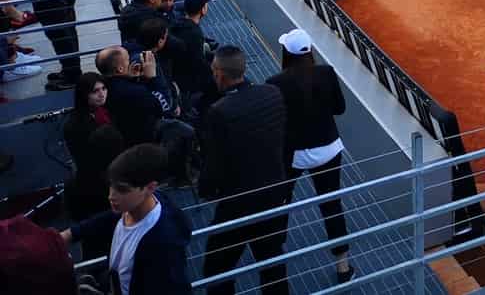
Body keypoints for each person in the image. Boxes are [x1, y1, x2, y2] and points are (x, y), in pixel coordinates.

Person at [200, 45, 291, 295]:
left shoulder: (219, 111)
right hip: (273, 194)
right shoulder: (272, 93)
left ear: (219, 74)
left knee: (216, 269)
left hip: (237, 204)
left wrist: (205, 189)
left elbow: (214, 162)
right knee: (272, 262)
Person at [267, 29, 354, 283]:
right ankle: (343, 267)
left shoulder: (275, 82)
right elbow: (340, 108)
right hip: (329, 149)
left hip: (293, 155)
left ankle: (273, 262)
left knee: (281, 204)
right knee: (332, 205)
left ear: (287, 54)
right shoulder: (327, 73)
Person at [62, 144, 192, 295]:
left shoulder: (163, 244)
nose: (111, 196)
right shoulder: (133, 207)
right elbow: (108, 218)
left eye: (122, 189)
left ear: (150, 188)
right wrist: (70, 234)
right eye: (111, 185)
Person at [62, 73, 126, 227]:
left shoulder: (105, 111)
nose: (102, 94)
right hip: (96, 182)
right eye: (95, 91)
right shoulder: (75, 125)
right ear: (84, 95)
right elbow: (86, 160)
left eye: (104, 89)